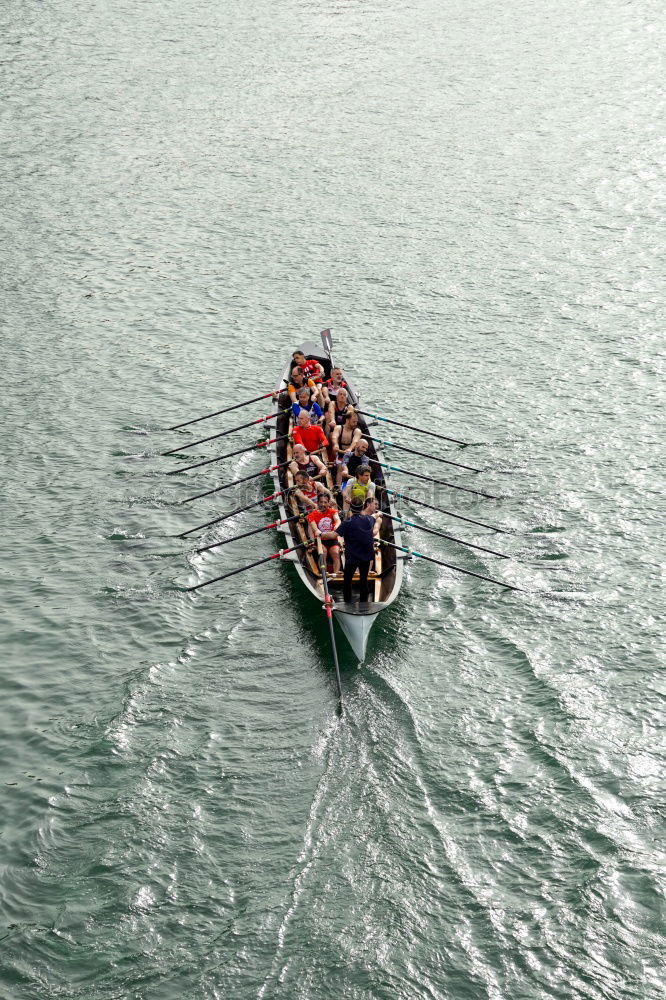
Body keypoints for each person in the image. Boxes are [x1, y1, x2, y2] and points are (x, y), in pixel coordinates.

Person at [335, 500, 376, 603]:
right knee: (364, 580)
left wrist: (320, 534)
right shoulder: (370, 519)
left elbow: (333, 535)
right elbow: (375, 518)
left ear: (350, 509)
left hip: (352, 557)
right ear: (363, 507)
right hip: (366, 557)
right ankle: (364, 602)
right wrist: (379, 514)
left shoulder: (347, 522)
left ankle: (347, 602)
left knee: (347, 581)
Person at [307, 492, 342, 574]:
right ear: (317, 503)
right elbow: (314, 527)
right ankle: (324, 573)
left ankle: (336, 574)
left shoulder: (333, 512)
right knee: (323, 552)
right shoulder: (312, 514)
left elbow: (338, 520)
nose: (323, 504)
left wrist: (337, 526)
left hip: (332, 539)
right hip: (320, 540)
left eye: (325, 502)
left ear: (328, 503)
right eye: (321, 502)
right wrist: (317, 531)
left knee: (336, 553)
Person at [331, 410, 362, 485]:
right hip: (341, 454)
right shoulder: (339, 428)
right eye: (353, 422)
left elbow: (355, 441)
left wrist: (350, 449)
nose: (355, 424)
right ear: (347, 420)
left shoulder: (357, 431)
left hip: (352, 454)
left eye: (356, 422)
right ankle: (338, 487)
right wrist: (335, 444)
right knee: (340, 468)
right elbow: (334, 436)